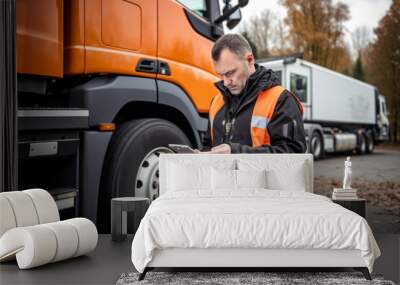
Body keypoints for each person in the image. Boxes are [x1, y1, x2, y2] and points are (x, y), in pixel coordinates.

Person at [198, 33, 307, 154]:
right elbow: (208, 145)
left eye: (230, 73)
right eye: (221, 75)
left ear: (249, 60)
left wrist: (236, 152)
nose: (225, 83)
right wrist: (202, 155)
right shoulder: (216, 103)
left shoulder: (281, 100)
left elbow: (294, 153)